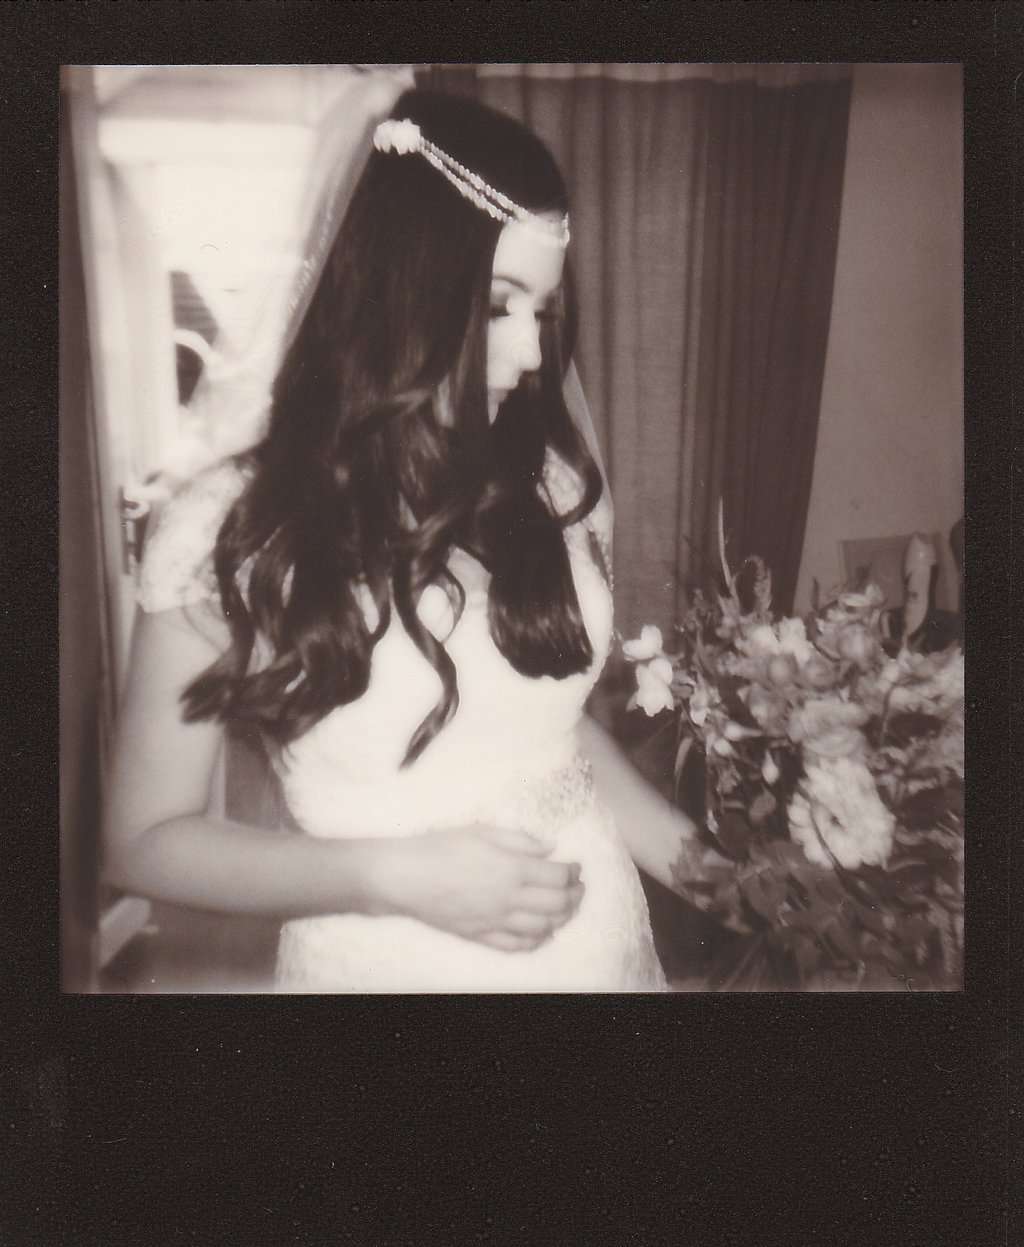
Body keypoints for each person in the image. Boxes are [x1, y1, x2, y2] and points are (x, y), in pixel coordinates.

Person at [103, 89, 716, 992]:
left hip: (602, 954)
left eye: (543, 313)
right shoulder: (229, 524)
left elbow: (549, 731)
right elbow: (141, 840)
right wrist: (390, 878)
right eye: (499, 307)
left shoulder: (548, 480)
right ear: (404, 293)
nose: (532, 356)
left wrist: (726, 879)